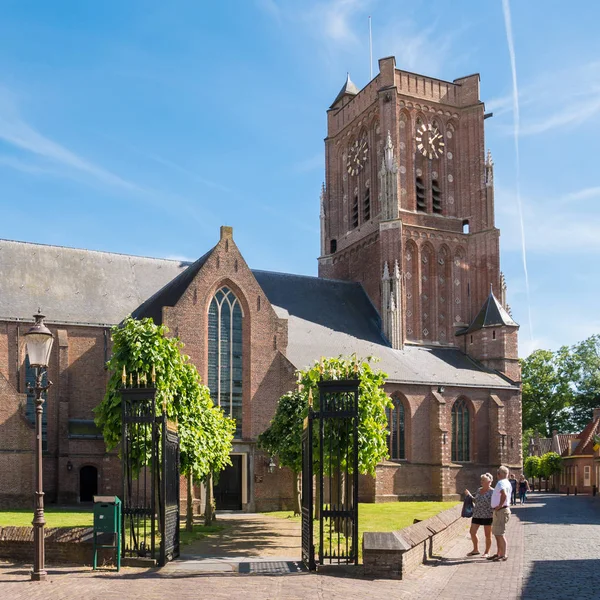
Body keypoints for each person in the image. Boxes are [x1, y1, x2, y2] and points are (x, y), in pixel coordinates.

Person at [464, 472, 494, 558]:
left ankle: (487, 552)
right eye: (481, 480)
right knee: (472, 532)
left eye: (483, 480)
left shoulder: (493, 492)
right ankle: (475, 549)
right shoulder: (479, 490)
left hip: (488, 515)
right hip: (477, 514)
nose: (481, 482)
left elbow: (495, 503)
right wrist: (469, 495)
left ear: (489, 482)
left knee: (487, 535)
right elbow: (475, 500)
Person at [488, 465, 512, 562]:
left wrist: (499, 506)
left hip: (501, 511)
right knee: (497, 533)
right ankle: (499, 553)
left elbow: (504, 494)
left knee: (500, 534)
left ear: (499, 474)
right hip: (501, 510)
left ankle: (503, 554)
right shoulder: (507, 483)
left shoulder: (501, 483)